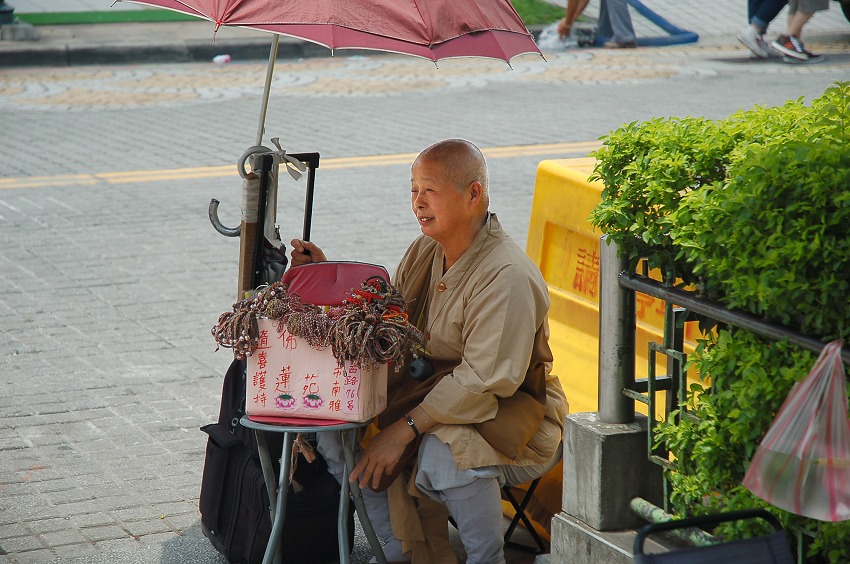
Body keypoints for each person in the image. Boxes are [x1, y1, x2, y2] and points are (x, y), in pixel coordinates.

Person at [289, 139, 569, 563]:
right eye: (413, 190)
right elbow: (387, 316)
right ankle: (397, 545)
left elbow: (482, 381)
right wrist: (327, 275)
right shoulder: (426, 249)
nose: (418, 203)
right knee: (337, 424)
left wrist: (403, 430)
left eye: (430, 190)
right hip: (424, 391)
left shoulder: (506, 274)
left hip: (508, 411)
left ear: (473, 194)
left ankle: (485, 557)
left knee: (444, 455)